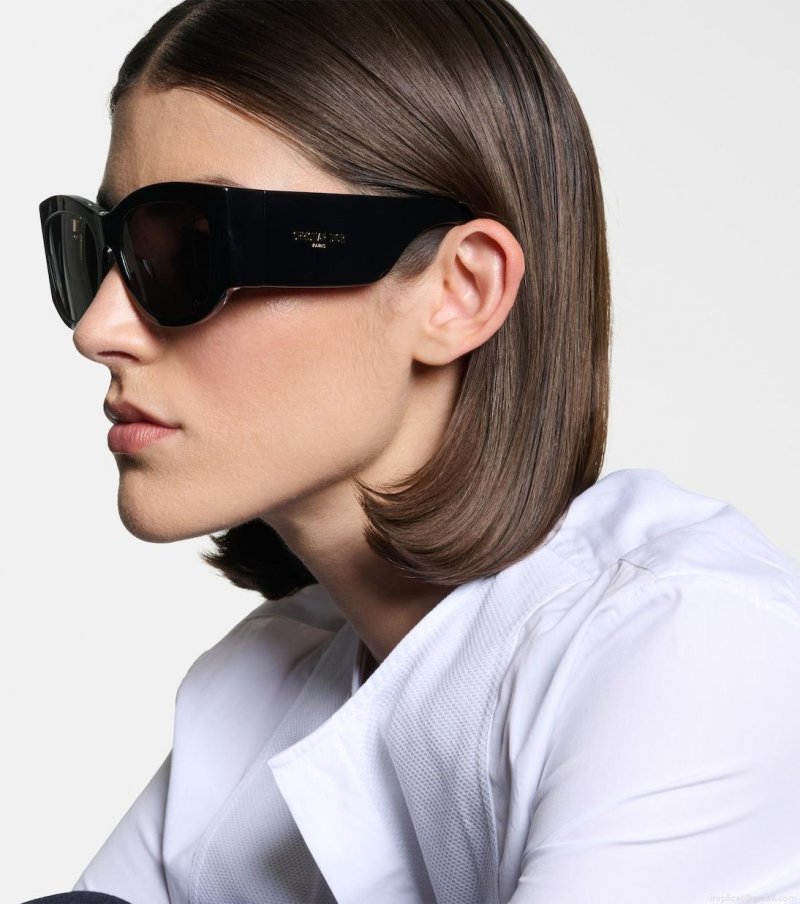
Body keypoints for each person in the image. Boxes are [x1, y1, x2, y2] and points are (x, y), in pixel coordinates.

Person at [34, 0, 800, 902]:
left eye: (188, 251)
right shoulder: (256, 683)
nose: (97, 328)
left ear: (459, 291)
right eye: (101, 252)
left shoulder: (691, 648)